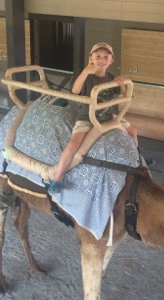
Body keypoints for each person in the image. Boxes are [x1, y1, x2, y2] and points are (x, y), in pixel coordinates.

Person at [49, 42, 138, 194]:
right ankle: (57, 178)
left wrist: (121, 84)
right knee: (73, 145)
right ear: (91, 58)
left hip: (108, 116)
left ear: (111, 60)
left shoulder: (110, 77)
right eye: (98, 56)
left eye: (105, 57)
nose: (102, 59)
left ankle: (136, 157)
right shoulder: (88, 78)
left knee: (133, 130)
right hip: (88, 117)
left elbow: (123, 94)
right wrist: (85, 72)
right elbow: (75, 91)